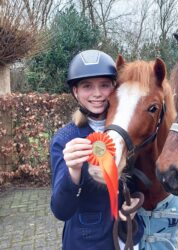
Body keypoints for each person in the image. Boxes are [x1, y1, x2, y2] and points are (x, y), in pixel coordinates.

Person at [50, 49, 143, 249]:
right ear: (75, 91)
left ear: (114, 87)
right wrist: (73, 172)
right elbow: (61, 210)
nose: (98, 93)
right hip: (87, 242)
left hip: (127, 236)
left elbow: (136, 178)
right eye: (87, 86)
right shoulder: (65, 139)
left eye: (104, 85)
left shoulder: (127, 131)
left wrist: (133, 202)